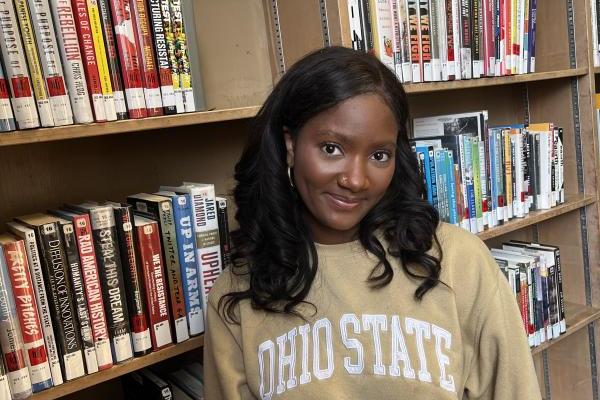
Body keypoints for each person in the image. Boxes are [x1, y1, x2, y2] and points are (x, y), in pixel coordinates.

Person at [203, 46, 541, 400]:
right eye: (332, 148)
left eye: (379, 155)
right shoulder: (237, 293)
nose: (356, 180)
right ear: (290, 145)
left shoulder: (459, 261)